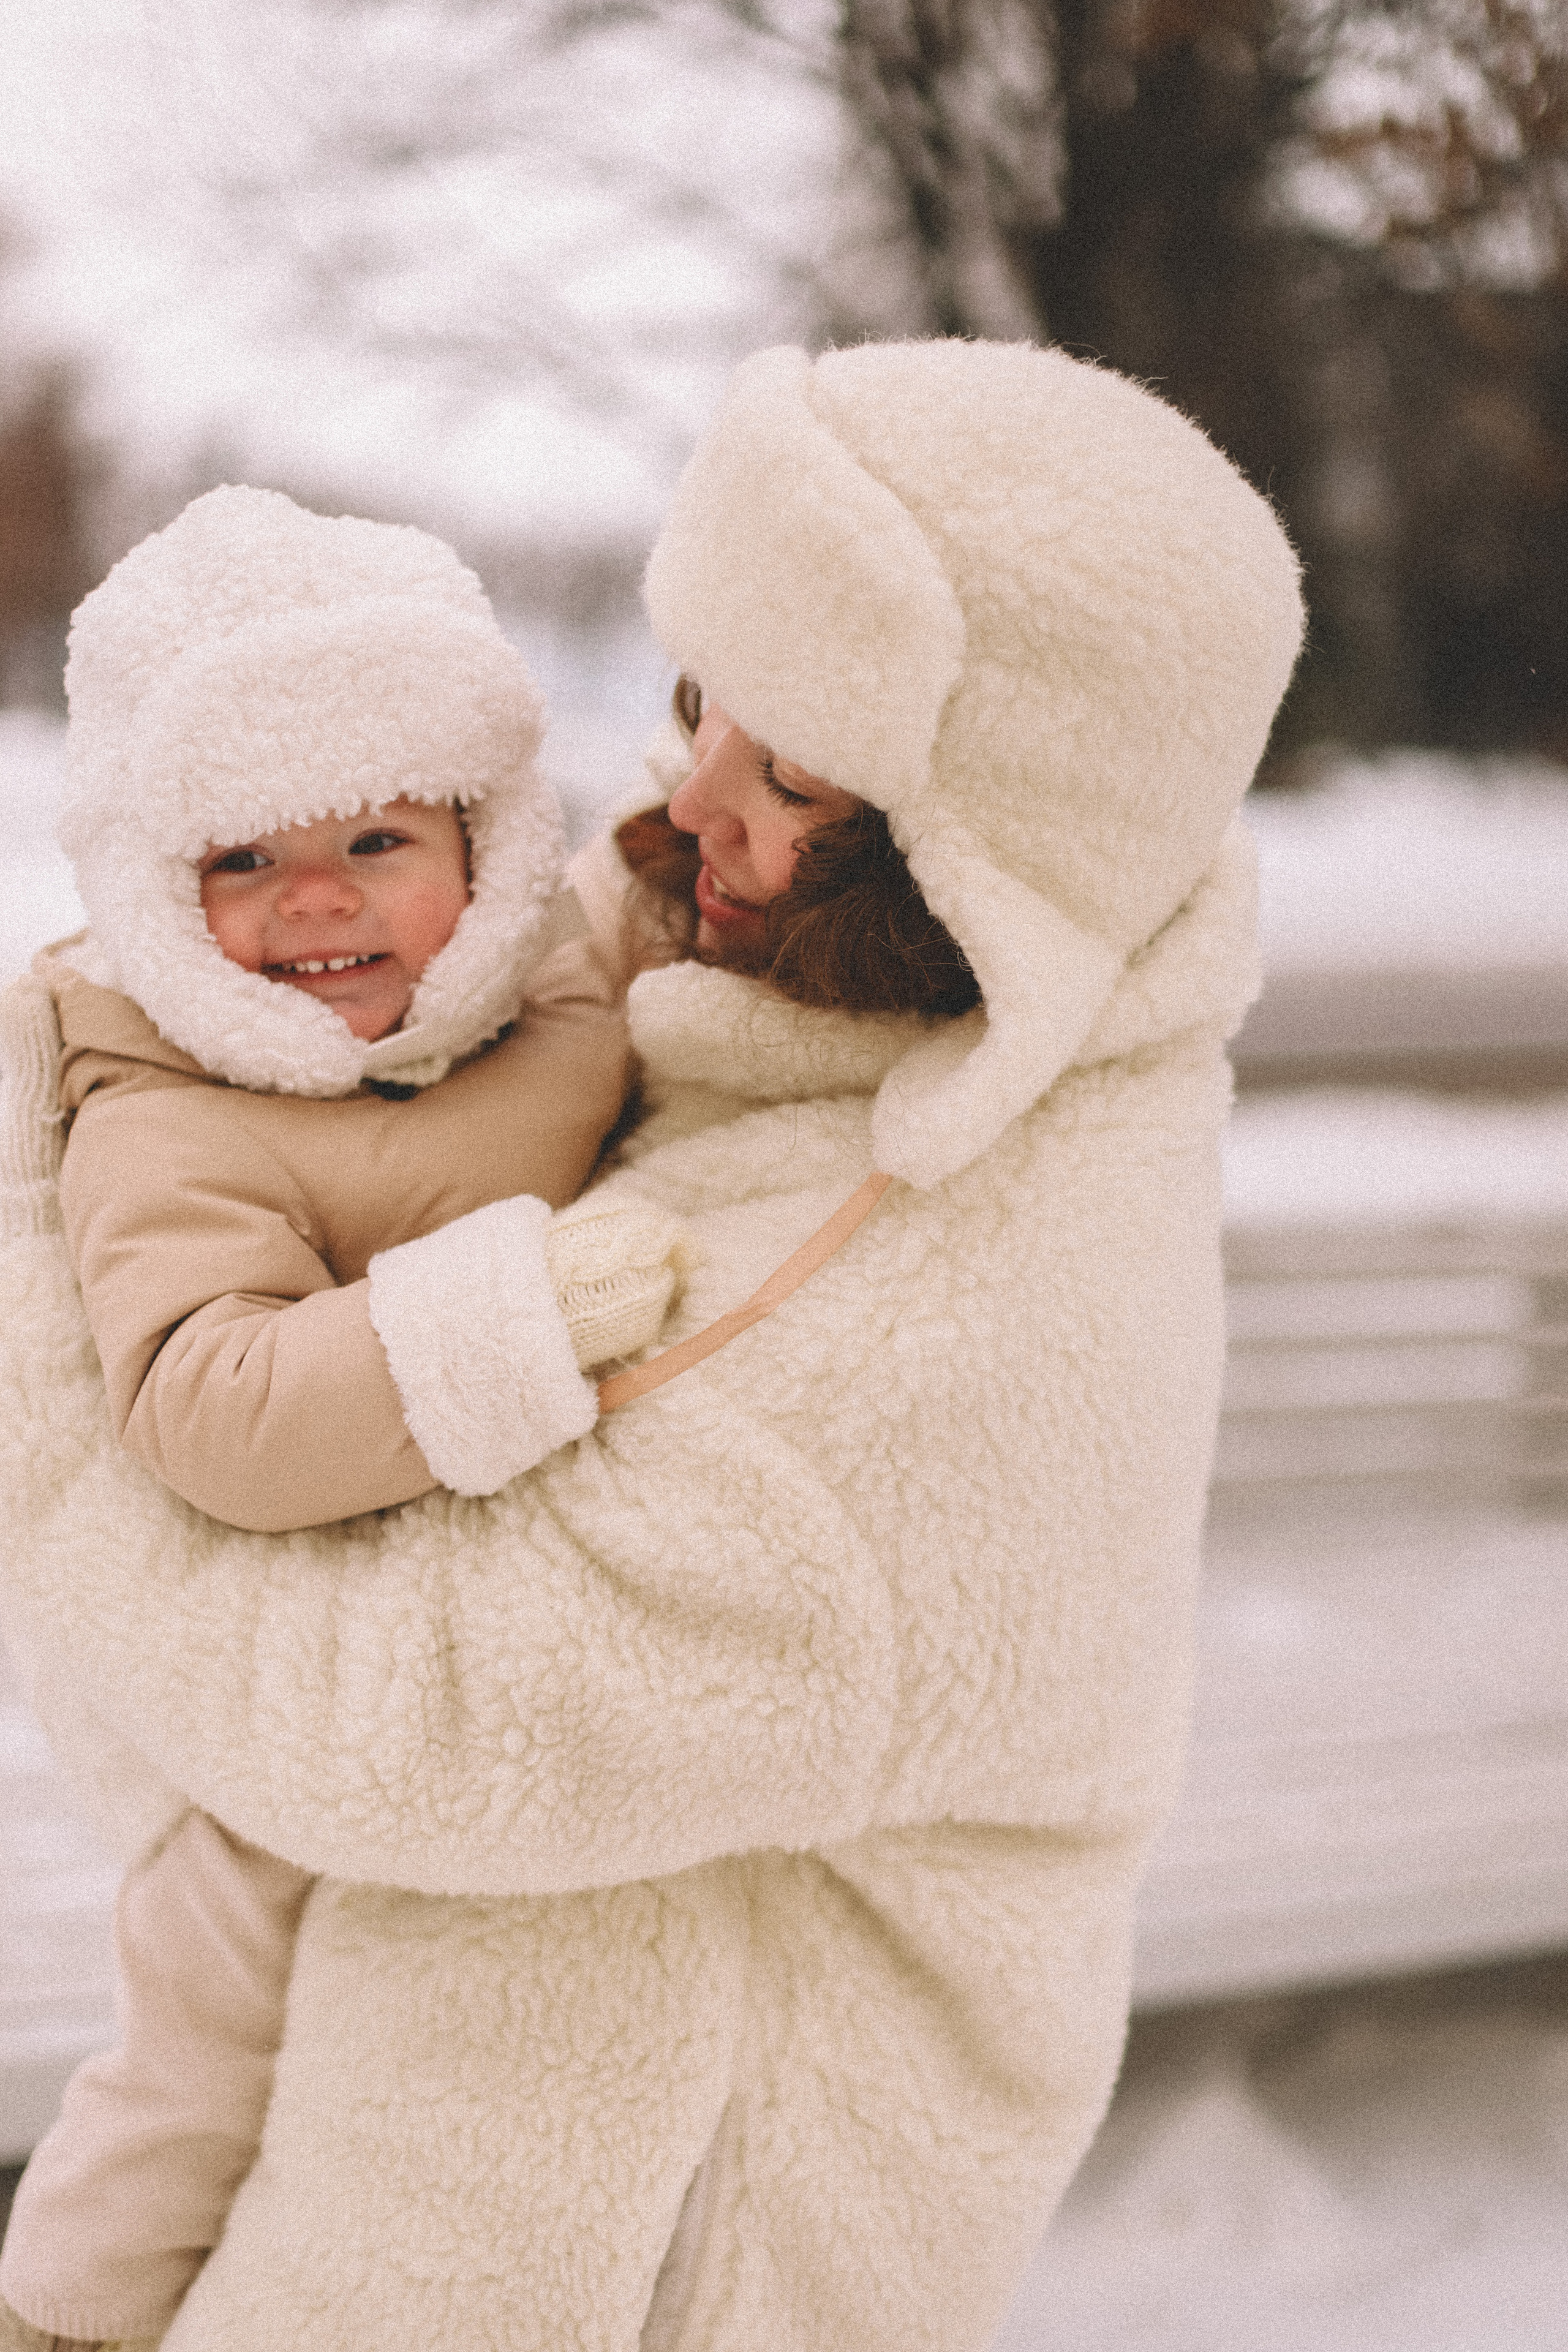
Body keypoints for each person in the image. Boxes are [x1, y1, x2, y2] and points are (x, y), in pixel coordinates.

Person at [0, 339, 1303, 2352]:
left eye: (789, 768)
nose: (683, 796)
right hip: (442, 2143)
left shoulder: (938, 1323)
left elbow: (367, 1724)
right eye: (699, 700)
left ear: (995, 842)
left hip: (634, 2257)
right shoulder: (797, 953)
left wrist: (48, 1337)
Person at [0, 484, 689, 2352]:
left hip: (545, 1657)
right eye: (240, 857)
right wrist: (503, 1322)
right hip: (285, 1719)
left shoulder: (566, 989)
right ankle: (72, 2313)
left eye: (378, 834)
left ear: (487, 833)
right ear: (159, 891)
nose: (314, 900)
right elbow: (205, 1401)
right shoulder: (164, 1106)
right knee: (202, 2045)